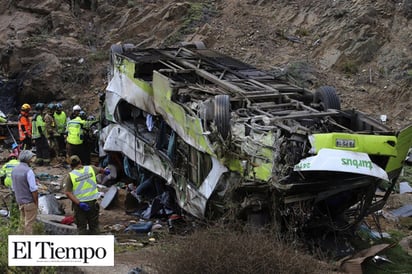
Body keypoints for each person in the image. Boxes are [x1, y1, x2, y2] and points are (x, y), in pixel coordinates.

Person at [63, 155, 108, 235]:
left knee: (81, 229)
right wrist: (105, 171)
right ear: (80, 162)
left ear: (71, 165)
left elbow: (67, 193)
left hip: (80, 205)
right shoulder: (91, 168)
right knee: (94, 227)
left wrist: (79, 203)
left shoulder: (71, 175)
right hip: (93, 203)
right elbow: (100, 170)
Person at [11, 150, 38, 234]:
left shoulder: (14, 170)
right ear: (28, 159)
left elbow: (13, 187)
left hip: (20, 201)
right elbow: (33, 189)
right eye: (31, 158)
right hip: (29, 201)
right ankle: (27, 242)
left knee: (22, 223)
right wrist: (36, 202)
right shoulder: (28, 171)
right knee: (29, 225)